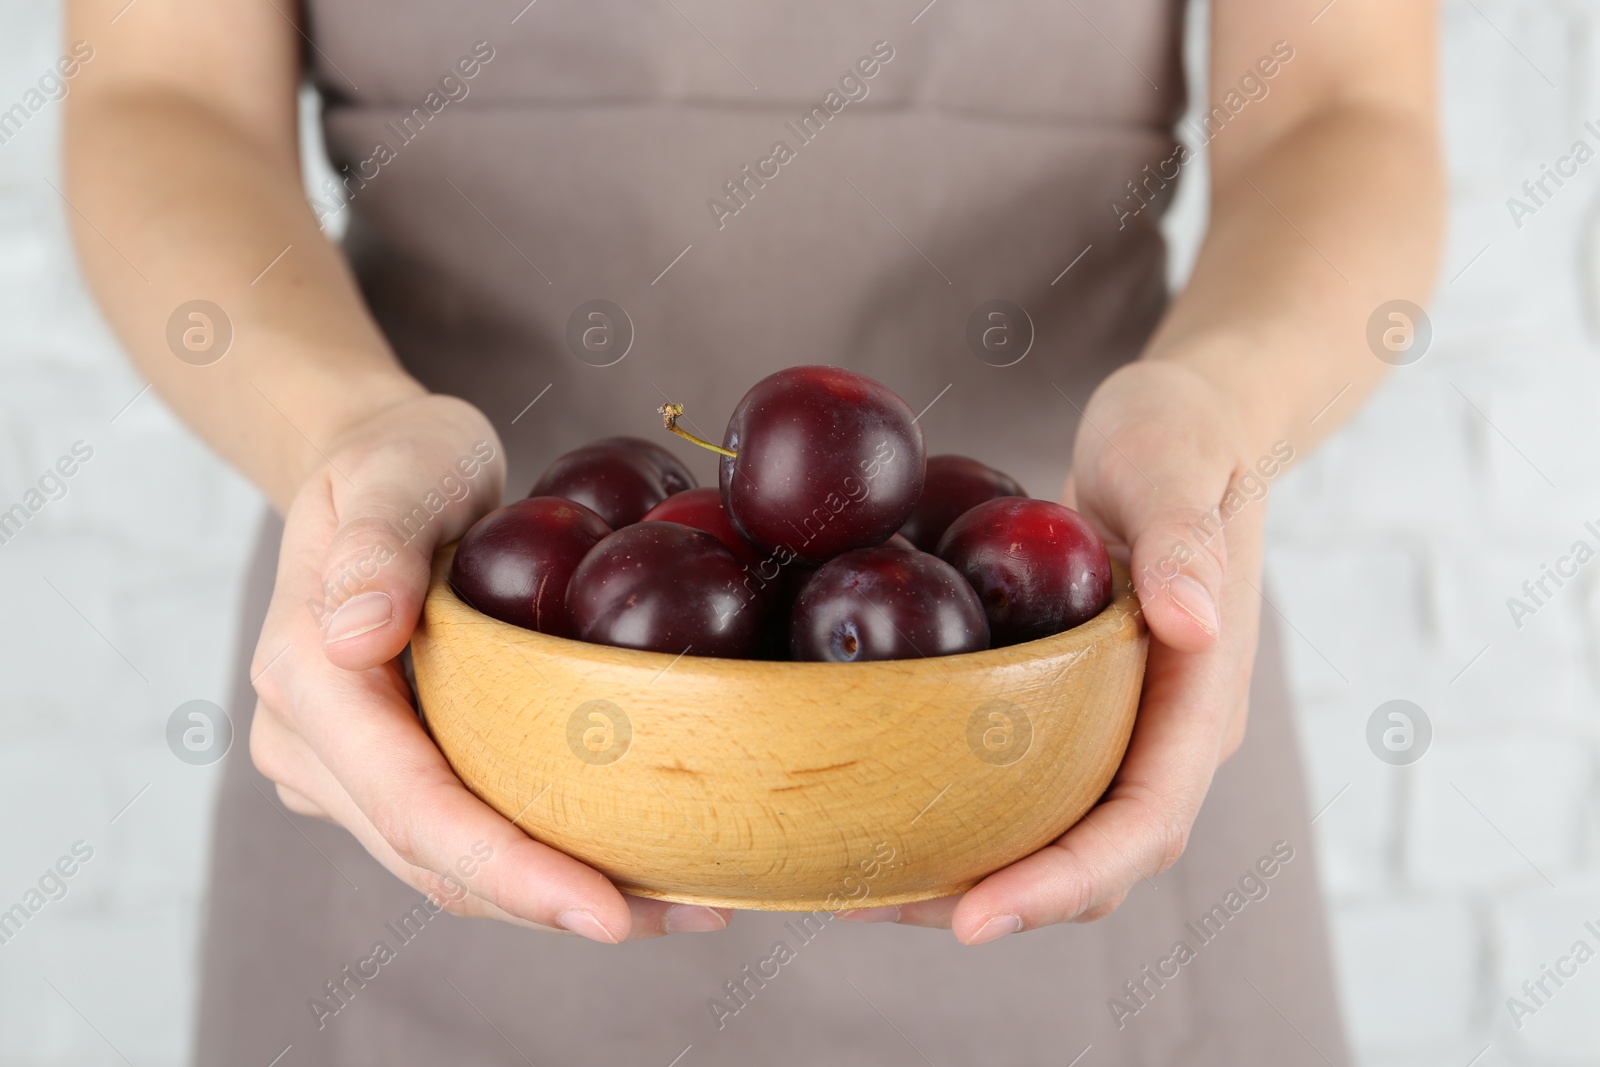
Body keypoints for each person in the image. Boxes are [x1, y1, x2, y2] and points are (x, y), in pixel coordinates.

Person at [64, 0, 1441, 1062]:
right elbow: (160, 95)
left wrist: (1212, 415)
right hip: (432, 705)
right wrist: (342, 437)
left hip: (1074, 705)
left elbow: (1344, 104)